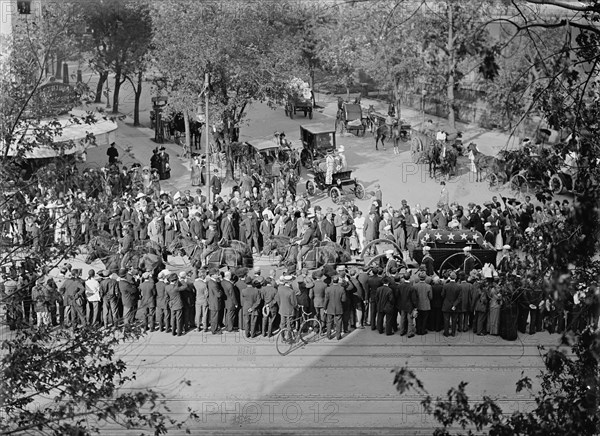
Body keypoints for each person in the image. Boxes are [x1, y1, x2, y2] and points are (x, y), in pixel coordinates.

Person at [324, 275, 347, 340]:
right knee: (338, 322)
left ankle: (328, 335)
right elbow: (344, 299)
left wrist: (325, 307)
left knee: (329, 322)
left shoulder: (328, 289)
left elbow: (326, 299)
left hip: (330, 307)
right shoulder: (341, 288)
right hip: (339, 307)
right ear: (338, 281)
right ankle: (338, 336)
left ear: (332, 281)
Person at [441, 272, 461, 337]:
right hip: (455, 306)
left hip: (446, 304)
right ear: (455, 278)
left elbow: (442, 295)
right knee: (454, 320)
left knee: (446, 320)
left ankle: (446, 333)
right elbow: (459, 298)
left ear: (450, 277)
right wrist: (454, 305)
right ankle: (453, 333)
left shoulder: (445, 285)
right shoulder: (458, 286)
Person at [207, 268, 225, 334]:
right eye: (216, 274)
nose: (217, 274)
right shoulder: (213, 284)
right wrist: (221, 291)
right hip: (215, 302)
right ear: (212, 275)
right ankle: (214, 330)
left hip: (213, 302)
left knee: (214, 316)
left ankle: (215, 328)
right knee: (215, 317)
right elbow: (218, 294)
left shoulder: (211, 282)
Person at [414, 271, 432, 335]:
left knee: (418, 319)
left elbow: (414, 296)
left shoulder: (415, 286)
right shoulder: (428, 286)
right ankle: (423, 330)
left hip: (418, 304)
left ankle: (418, 330)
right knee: (425, 319)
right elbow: (430, 297)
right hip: (426, 305)